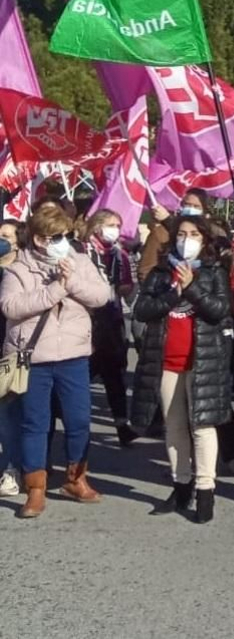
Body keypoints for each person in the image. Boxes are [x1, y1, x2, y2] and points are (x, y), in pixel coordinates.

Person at [1, 202, 113, 518]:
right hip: (34, 358)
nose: (63, 241)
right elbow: (11, 306)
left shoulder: (78, 260)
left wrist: (72, 281)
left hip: (74, 356)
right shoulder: (18, 268)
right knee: (35, 424)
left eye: (65, 235)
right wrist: (54, 290)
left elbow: (101, 296)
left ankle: (76, 479)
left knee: (78, 421)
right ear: (39, 239)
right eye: (56, 236)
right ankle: (35, 488)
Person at [130, 216, 233, 524]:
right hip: (167, 362)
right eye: (182, 234)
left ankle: (205, 490)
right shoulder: (161, 274)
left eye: (193, 234)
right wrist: (172, 293)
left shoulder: (214, 272)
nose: (186, 239)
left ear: (204, 240)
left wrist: (191, 289)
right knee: (174, 427)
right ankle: (181, 485)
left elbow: (219, 311)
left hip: (202, 361)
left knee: (202, 427)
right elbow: (142, 310)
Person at [83, 208, 138, 447]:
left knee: (114, 374)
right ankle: (76, 422)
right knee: (84, 372)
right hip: (88, 318)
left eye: (118, 225)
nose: (114, 229)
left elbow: (127, 285)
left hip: (112, 317)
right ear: (96, 226)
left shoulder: (119, 254)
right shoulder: (83, 251)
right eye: (110, 224)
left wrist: (123, 287)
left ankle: (121, 424)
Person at [140, 188, 210, 280]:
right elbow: (146, 271)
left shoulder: (211, 234)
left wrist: (167, 220)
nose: (191, 210)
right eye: (187, 205)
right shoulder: (160, 233)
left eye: (196, 207)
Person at [0, 218, 21, 498]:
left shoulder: (20, 273)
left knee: (8, 416)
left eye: (5, 235)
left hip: (11, 353)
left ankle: (11, 471)